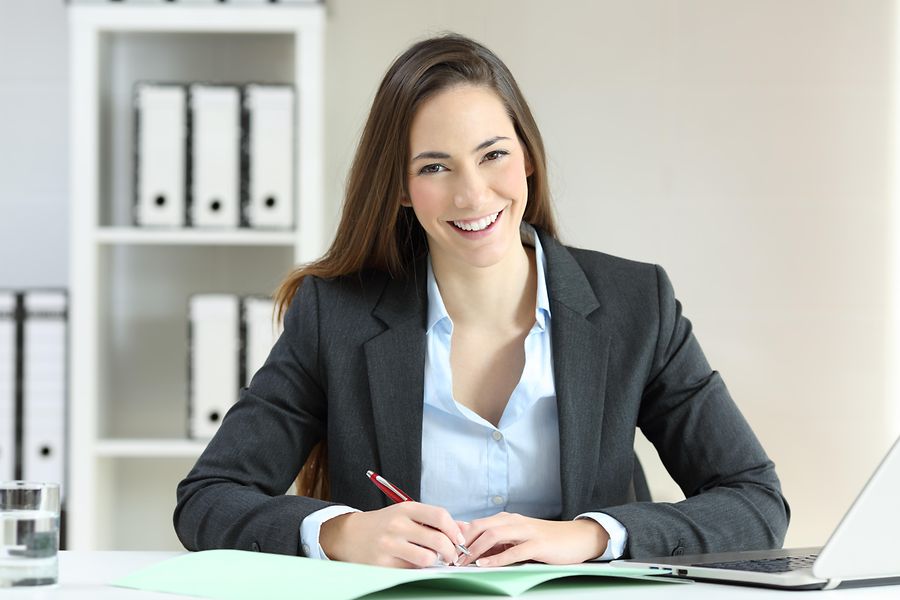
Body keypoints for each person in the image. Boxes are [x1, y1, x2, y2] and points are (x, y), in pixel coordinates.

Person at [174, 33, 789, 569]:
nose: (472, 195)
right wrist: (338, 533)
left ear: (527, 159)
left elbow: (755, 500)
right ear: (400, 190)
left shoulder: (636, 304)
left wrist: (591, 536)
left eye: (493, 155)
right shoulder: (335, 315)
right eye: (435, 167)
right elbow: (208, 497)